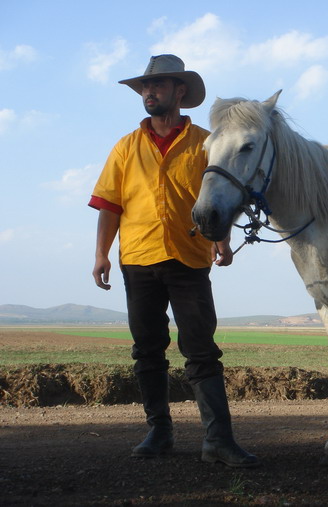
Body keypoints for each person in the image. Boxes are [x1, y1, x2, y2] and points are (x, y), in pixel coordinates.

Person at [89, 54, 259, 468]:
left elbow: (218, 197)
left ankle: (218, 440)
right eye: (145, 87)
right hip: (139, 259)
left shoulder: (204, 142)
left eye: (158, 86)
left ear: (179, 92)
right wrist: (101, 254)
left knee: (200, 349)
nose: (149, 92)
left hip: (188, 258)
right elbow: (110, 205)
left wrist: (221, 239)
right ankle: (159, 431)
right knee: (147, 349)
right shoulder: (126, 147)